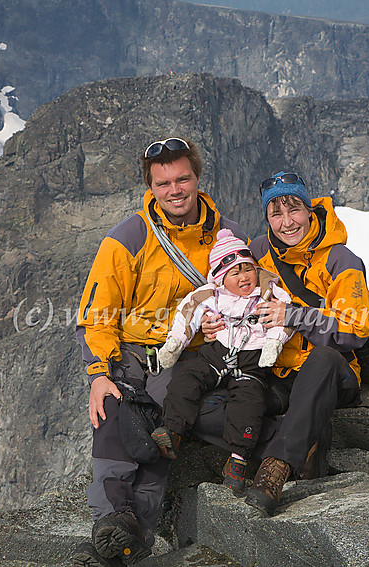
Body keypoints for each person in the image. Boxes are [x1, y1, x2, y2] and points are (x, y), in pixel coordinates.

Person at [72, 138, 249, 566]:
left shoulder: (228, 240)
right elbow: (96, 317)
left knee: (162, 419)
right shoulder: (127, 239)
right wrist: (98, 375)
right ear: (150, 187)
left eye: (182, 178)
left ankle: (122, 537)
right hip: (131, 350)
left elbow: (251, 299)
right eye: (163, 182)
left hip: (194, 353)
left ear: (197, 178)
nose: (174, 190)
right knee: (113, 410)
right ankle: (117, 526)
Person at [241, 172, 369, 516]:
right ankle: (306, 437)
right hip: (277, 370)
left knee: (324, 358)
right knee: (218, 404)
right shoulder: (258, 251)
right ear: (267, 218)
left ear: (309, 209)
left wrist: (293, 315)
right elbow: (224, 285)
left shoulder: (340, 260)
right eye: (276, 214)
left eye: (295, 210)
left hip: (332, 374)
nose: (287, 222)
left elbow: (354, 330)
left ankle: (274, 471)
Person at [150, 229, 292, 494]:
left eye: (247, 269)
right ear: (220, 277)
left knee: (249, 402)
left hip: (252, 358)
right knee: (187, 378)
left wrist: (274, 342)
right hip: (217, 351)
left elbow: (284, 317)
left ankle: (238, 459)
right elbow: (187, 313)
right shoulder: (211, 295)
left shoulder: (269, 292)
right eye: (234, 272)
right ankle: (172, 430)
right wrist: (176, 341)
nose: (244, 277)